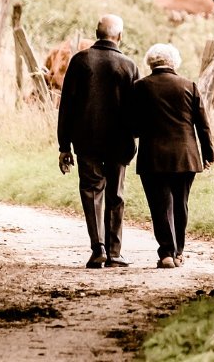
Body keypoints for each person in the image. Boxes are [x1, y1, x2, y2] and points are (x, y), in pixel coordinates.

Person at [57, 14, 140, 269]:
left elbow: (66, 106)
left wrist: (64, 146)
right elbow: (136, 109)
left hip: (86, 140)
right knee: (116, 194)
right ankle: (115, 253)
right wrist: (134, 136)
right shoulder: (128, 65)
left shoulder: (80, 61)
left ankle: (98, 249)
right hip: (119, 142)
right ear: (120, 36)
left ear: (96, 33)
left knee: (92, 192)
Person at [133, 43, 214, 269]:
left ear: (150, 62)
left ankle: (166, 253)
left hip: (153, 156)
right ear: (174, 62)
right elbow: (203, 125)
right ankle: (178, 252)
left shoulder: (140, 87)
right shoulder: (189, 86)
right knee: (181, 203)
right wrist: (208, 154)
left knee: (160, 205)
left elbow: (134, 126)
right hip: (186, 156)